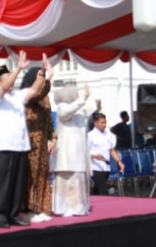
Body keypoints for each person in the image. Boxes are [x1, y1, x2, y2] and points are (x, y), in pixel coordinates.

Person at [0, 52, 49, 229]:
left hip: (20, 146)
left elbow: (34, 90)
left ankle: (13, 214)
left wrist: (42, 74)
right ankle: (0, 216)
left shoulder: (17, 96)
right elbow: (5, 86)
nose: (12, 81)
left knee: (17, 184)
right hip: (3, 147)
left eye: (12, 77)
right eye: (7, 78)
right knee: (4, 184)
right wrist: (18, 69)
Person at [21, 61, 55, 222]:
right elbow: (38, 93)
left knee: (43, 176)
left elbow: (49, 118)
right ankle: (31, 209)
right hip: (29, 146)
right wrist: (46, 78)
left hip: (42, 148)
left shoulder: (44, 100)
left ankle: (43, 208)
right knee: (31, 177)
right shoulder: (26, 99)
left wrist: (52, 138)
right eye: (37, 78)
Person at [52, 84, 93, 216]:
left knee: (78, 178)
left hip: (79, 150)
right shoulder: (62, 108)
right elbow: (65, 113)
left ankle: (79, 207)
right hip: (67, 151)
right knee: (68, 179)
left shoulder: (78, 111)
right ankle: (65, 208)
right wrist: (83, 98)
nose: (77, 96)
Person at [88, 112, 124, 196]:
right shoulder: (90, 136)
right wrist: (95, 156)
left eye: (105, 122)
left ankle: (94, 201)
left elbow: (112, 150)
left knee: (98, 188)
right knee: (103, 189)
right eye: (102, 122)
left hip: (106, 166)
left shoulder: (109, 135)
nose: (104, 125)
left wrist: (119, 161)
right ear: (95, 123)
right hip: (95, 166)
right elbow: (84, 152)